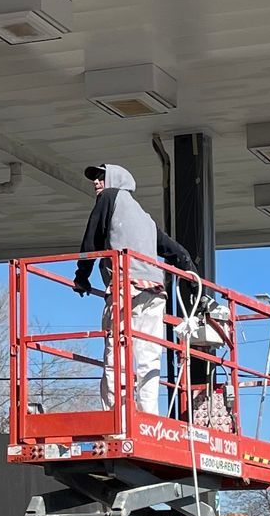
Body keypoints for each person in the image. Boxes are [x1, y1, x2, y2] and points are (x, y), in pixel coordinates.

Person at [72, 163, 193, 419]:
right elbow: (177, 252)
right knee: (149, 357)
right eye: (95, 179)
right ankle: (149, 417)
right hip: (156, 293)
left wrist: (81, 277)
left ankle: (117, 416)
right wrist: (193, 282)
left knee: (117, 354)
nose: (96, 183)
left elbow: (91, 239)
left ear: (115, 180)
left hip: (127, 290)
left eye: (101, 177)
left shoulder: (109, 197)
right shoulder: (145, 219)